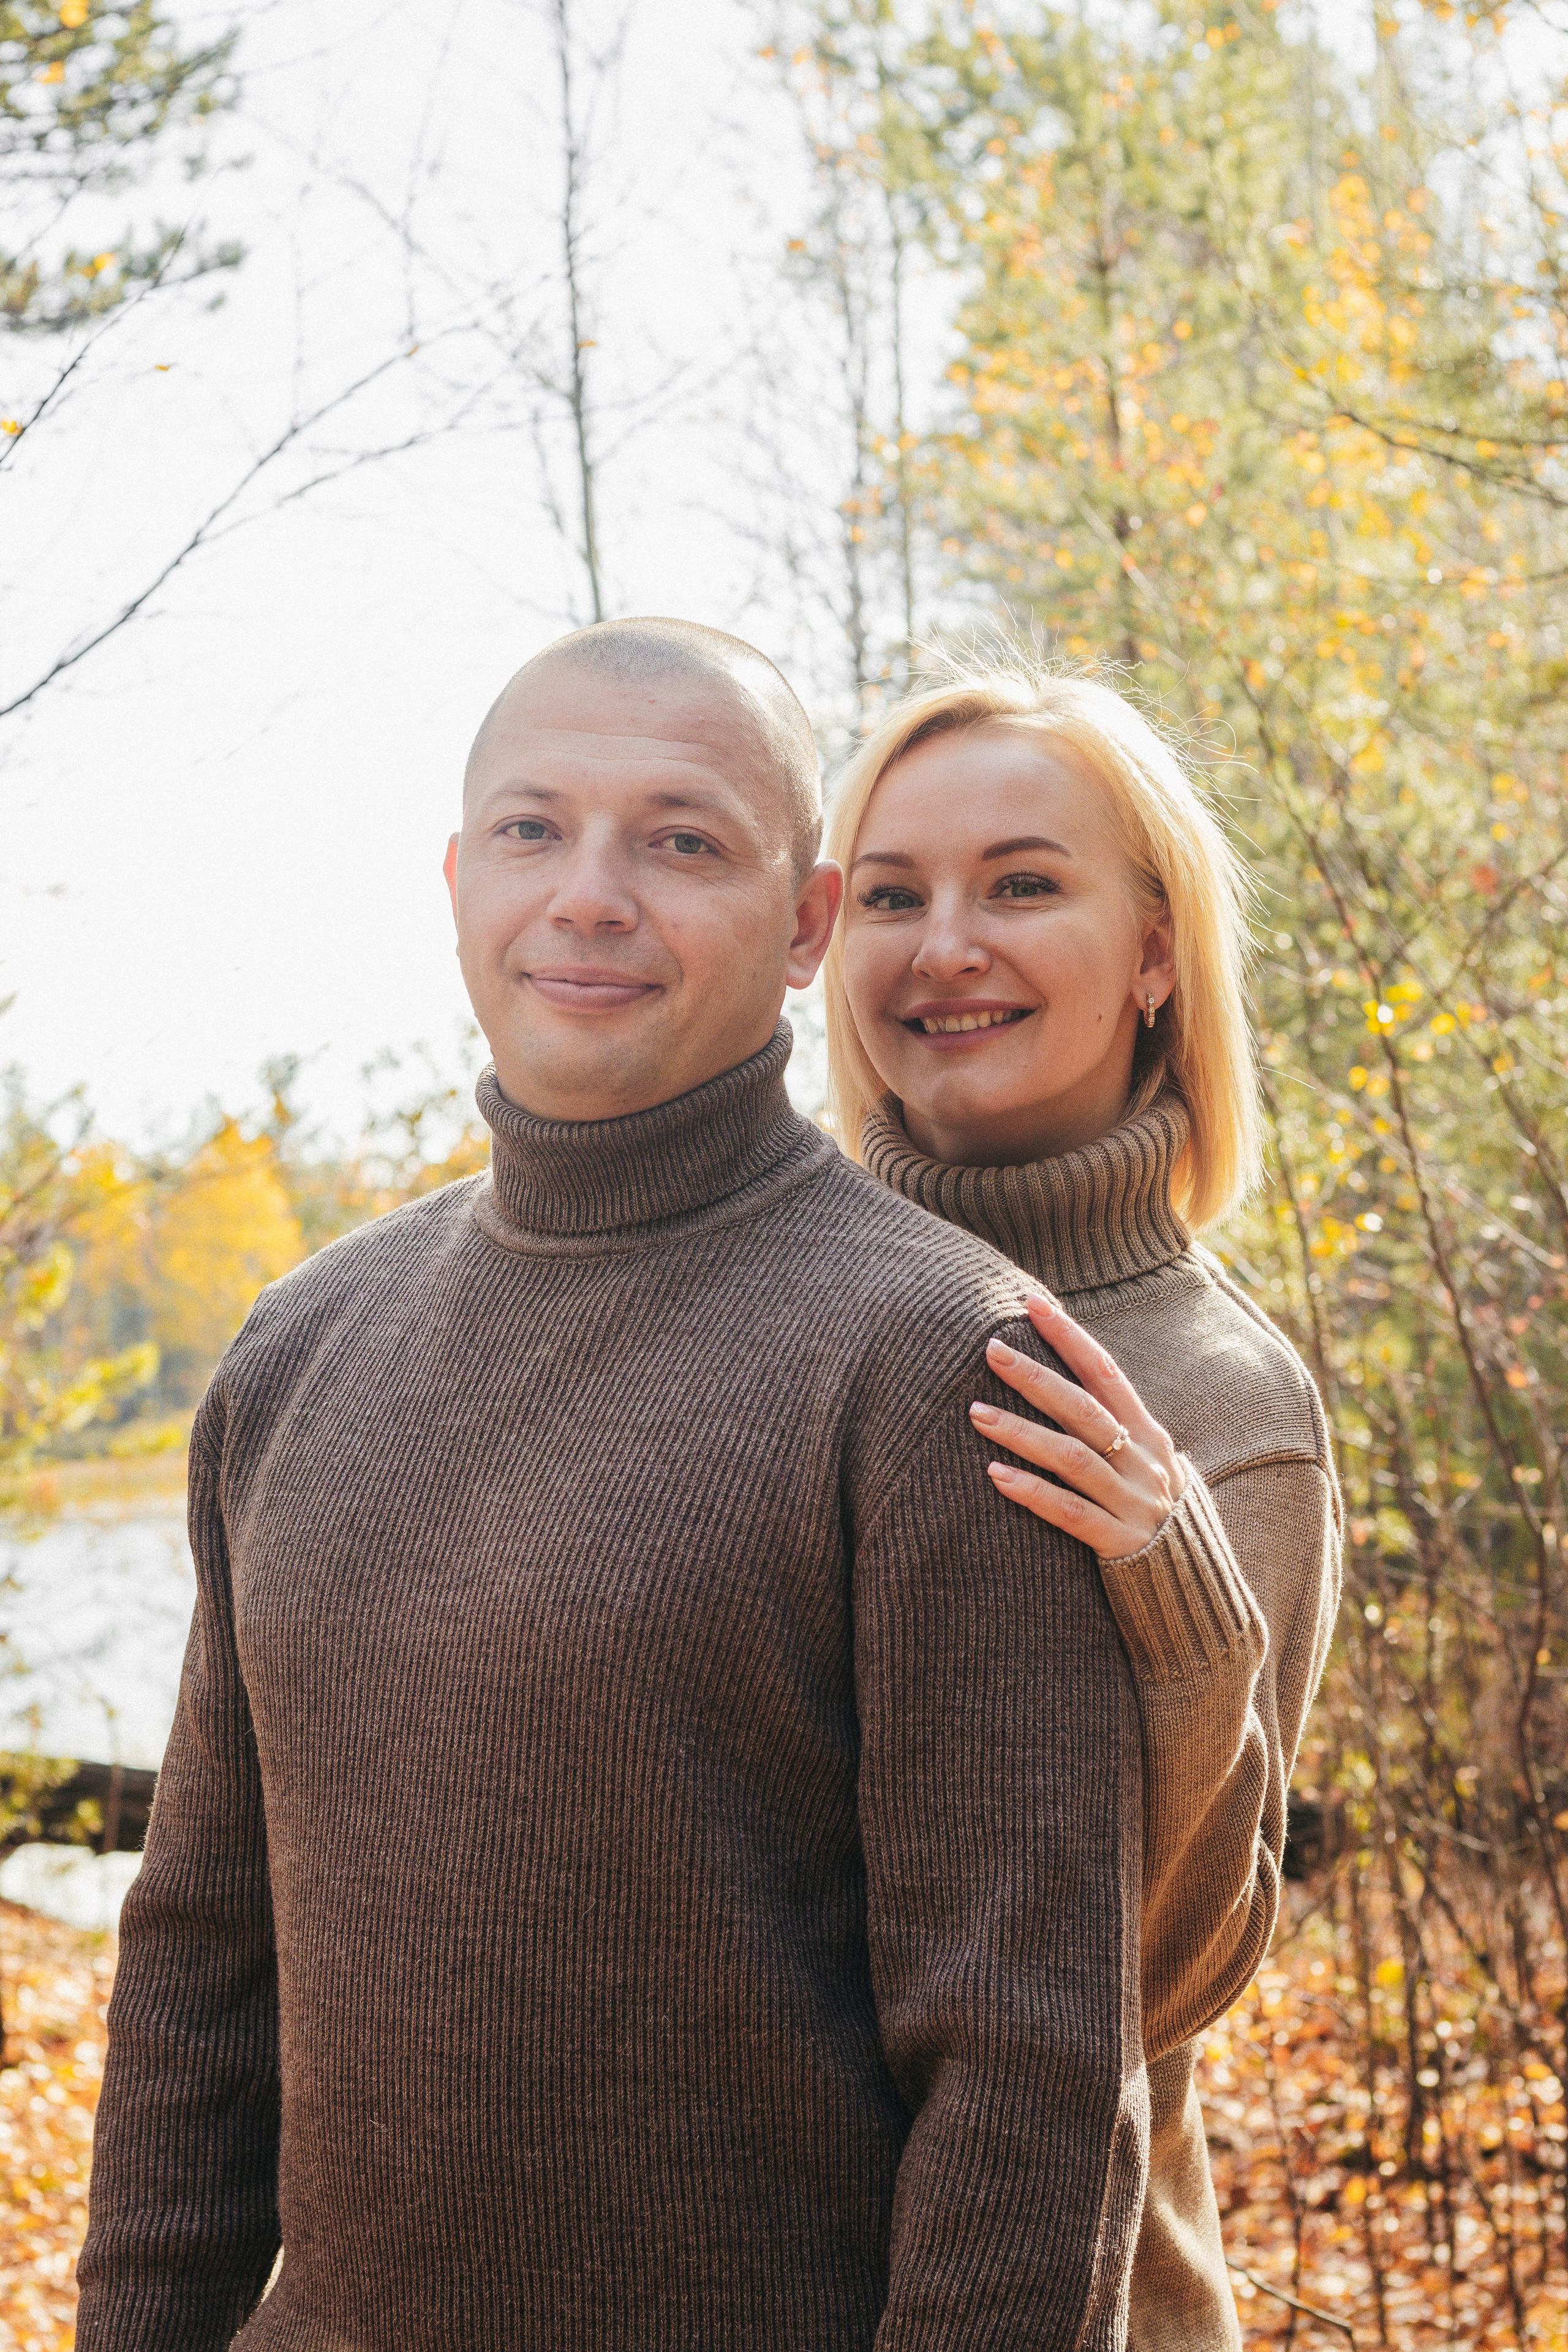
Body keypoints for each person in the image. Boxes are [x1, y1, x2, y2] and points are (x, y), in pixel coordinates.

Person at [77, 619, 1150, 2352]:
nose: (589, 894)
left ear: (805, 925)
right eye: (533, 828)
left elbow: (1025, 2073)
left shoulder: (938, 1356)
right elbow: (201, 1969)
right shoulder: (297, 1352)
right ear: (454, 879)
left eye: (681, 838)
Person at [821, 655, 1343, 2352]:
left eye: (1024, 884)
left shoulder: (1228, 1404)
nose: (946, 943)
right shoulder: (760, 1303)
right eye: (892, 893)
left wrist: (1178, 1602)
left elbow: (1163, 1993)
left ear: (1155, 952)